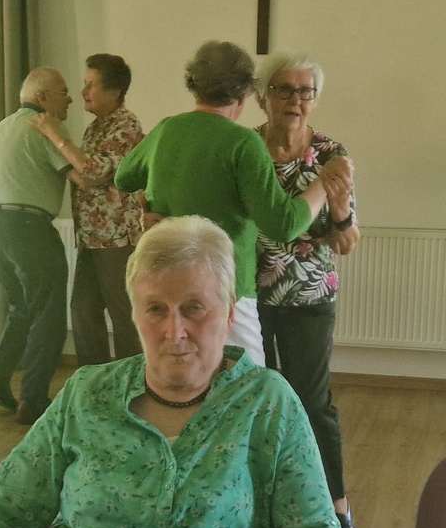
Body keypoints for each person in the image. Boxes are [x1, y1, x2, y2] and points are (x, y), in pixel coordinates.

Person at [0, 216, 350, 528]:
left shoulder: (266, 403)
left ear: (230, 312)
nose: (174, 332)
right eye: (156, 309)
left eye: (194, 308)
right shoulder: (87, 394)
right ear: (134, 314)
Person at [114, 40, 353, 366]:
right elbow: (285, 224)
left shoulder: (167, 129)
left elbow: (124, 178)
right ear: (246, 94)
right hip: (226, 288)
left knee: (185, 376)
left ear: (194, 86)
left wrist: (155, 202)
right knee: (246, 383)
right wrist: (323, 183)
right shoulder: (244, 142)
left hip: (170, 284)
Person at [254, 51, 360, 528]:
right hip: (247, 296)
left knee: (312, 402)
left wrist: (339, 210)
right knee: (253, 400)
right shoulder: (246, 148)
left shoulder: (332, 154)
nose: (294, 100)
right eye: (283, 89)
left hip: (309, 296)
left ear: (314, 100)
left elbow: (347, 241)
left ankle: (335, 502)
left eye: (305, 91)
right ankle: (261, 500)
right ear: (264, 96)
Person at [30, 53, 144, 365]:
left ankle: (130, 382)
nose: (83, 92)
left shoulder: (127, 125)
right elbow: (84, 176)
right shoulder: (94, 129)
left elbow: (93, 171)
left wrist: (54, 134)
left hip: (117, 240)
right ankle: (92, 381)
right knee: (82, 310)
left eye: (91, 85)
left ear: (115, 91)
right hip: (90, 238)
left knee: (123, 316)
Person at [0, 67, 73, 425]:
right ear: (43, 97)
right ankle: (32, 399)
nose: (70, 99)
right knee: (48, 312)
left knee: (22, 306)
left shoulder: (4, 126)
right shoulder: (46, 127)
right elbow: (78, 173)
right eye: (63, 92)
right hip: (28, 226)